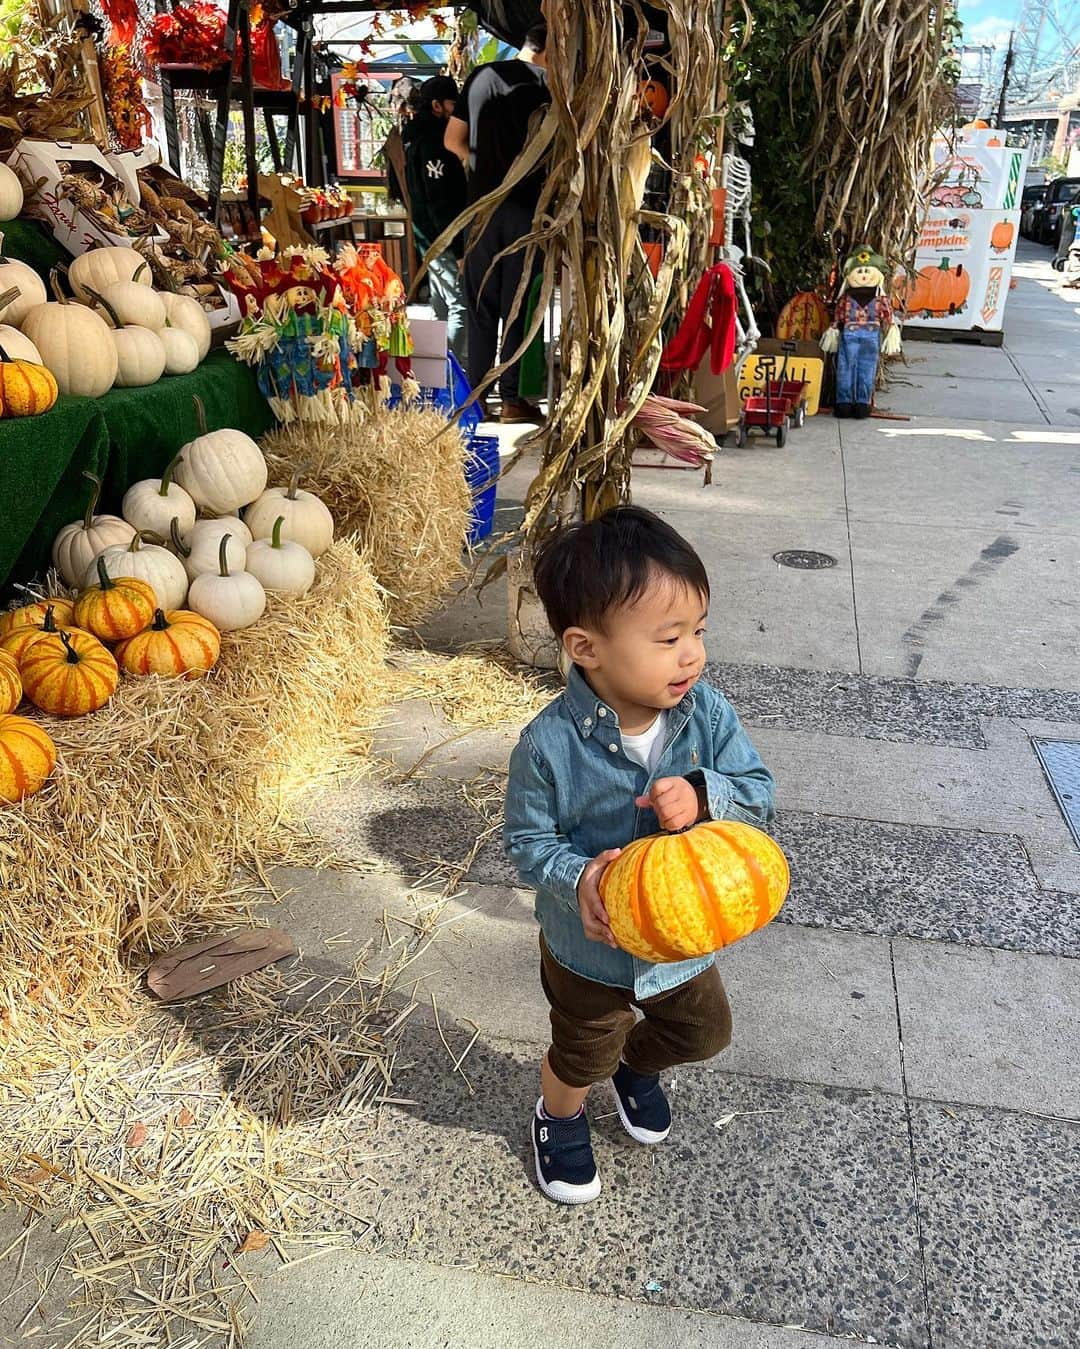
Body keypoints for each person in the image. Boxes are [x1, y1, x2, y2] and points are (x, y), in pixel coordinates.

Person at [503, 507, 775, 1204]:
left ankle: (637, 1065)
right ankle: (557, 1117)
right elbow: (528, 843)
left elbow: (759, 792)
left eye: (698, 632)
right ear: (585, 647)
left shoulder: (706, 715)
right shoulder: (547, 745)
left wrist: (703, 793)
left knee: (705, 1030)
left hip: (681, 944)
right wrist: (580, 875)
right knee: (578, 1053)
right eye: (668, 638)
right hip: (586, 951)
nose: (692, 654)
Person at [444, 23, 550, 422]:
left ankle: (476, 401)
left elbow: (452, 140)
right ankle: (512, 400)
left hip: (482, 210)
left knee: (480, 308)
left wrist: (480, 169)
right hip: (528, 212)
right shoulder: (549, 91)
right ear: (550, 51)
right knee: (518, 307)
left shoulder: (482, 76)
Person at [403, 75, 468, 365]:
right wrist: (459, 250)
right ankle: (454, 376)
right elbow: (440, 200)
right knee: (460, 307)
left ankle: (439, 375)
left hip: (427, 238)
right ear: (437, 105)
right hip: (442, 238)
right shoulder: (435, 142)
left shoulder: (415, 138)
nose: (458, 109)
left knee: (441, 306)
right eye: (453, 103)